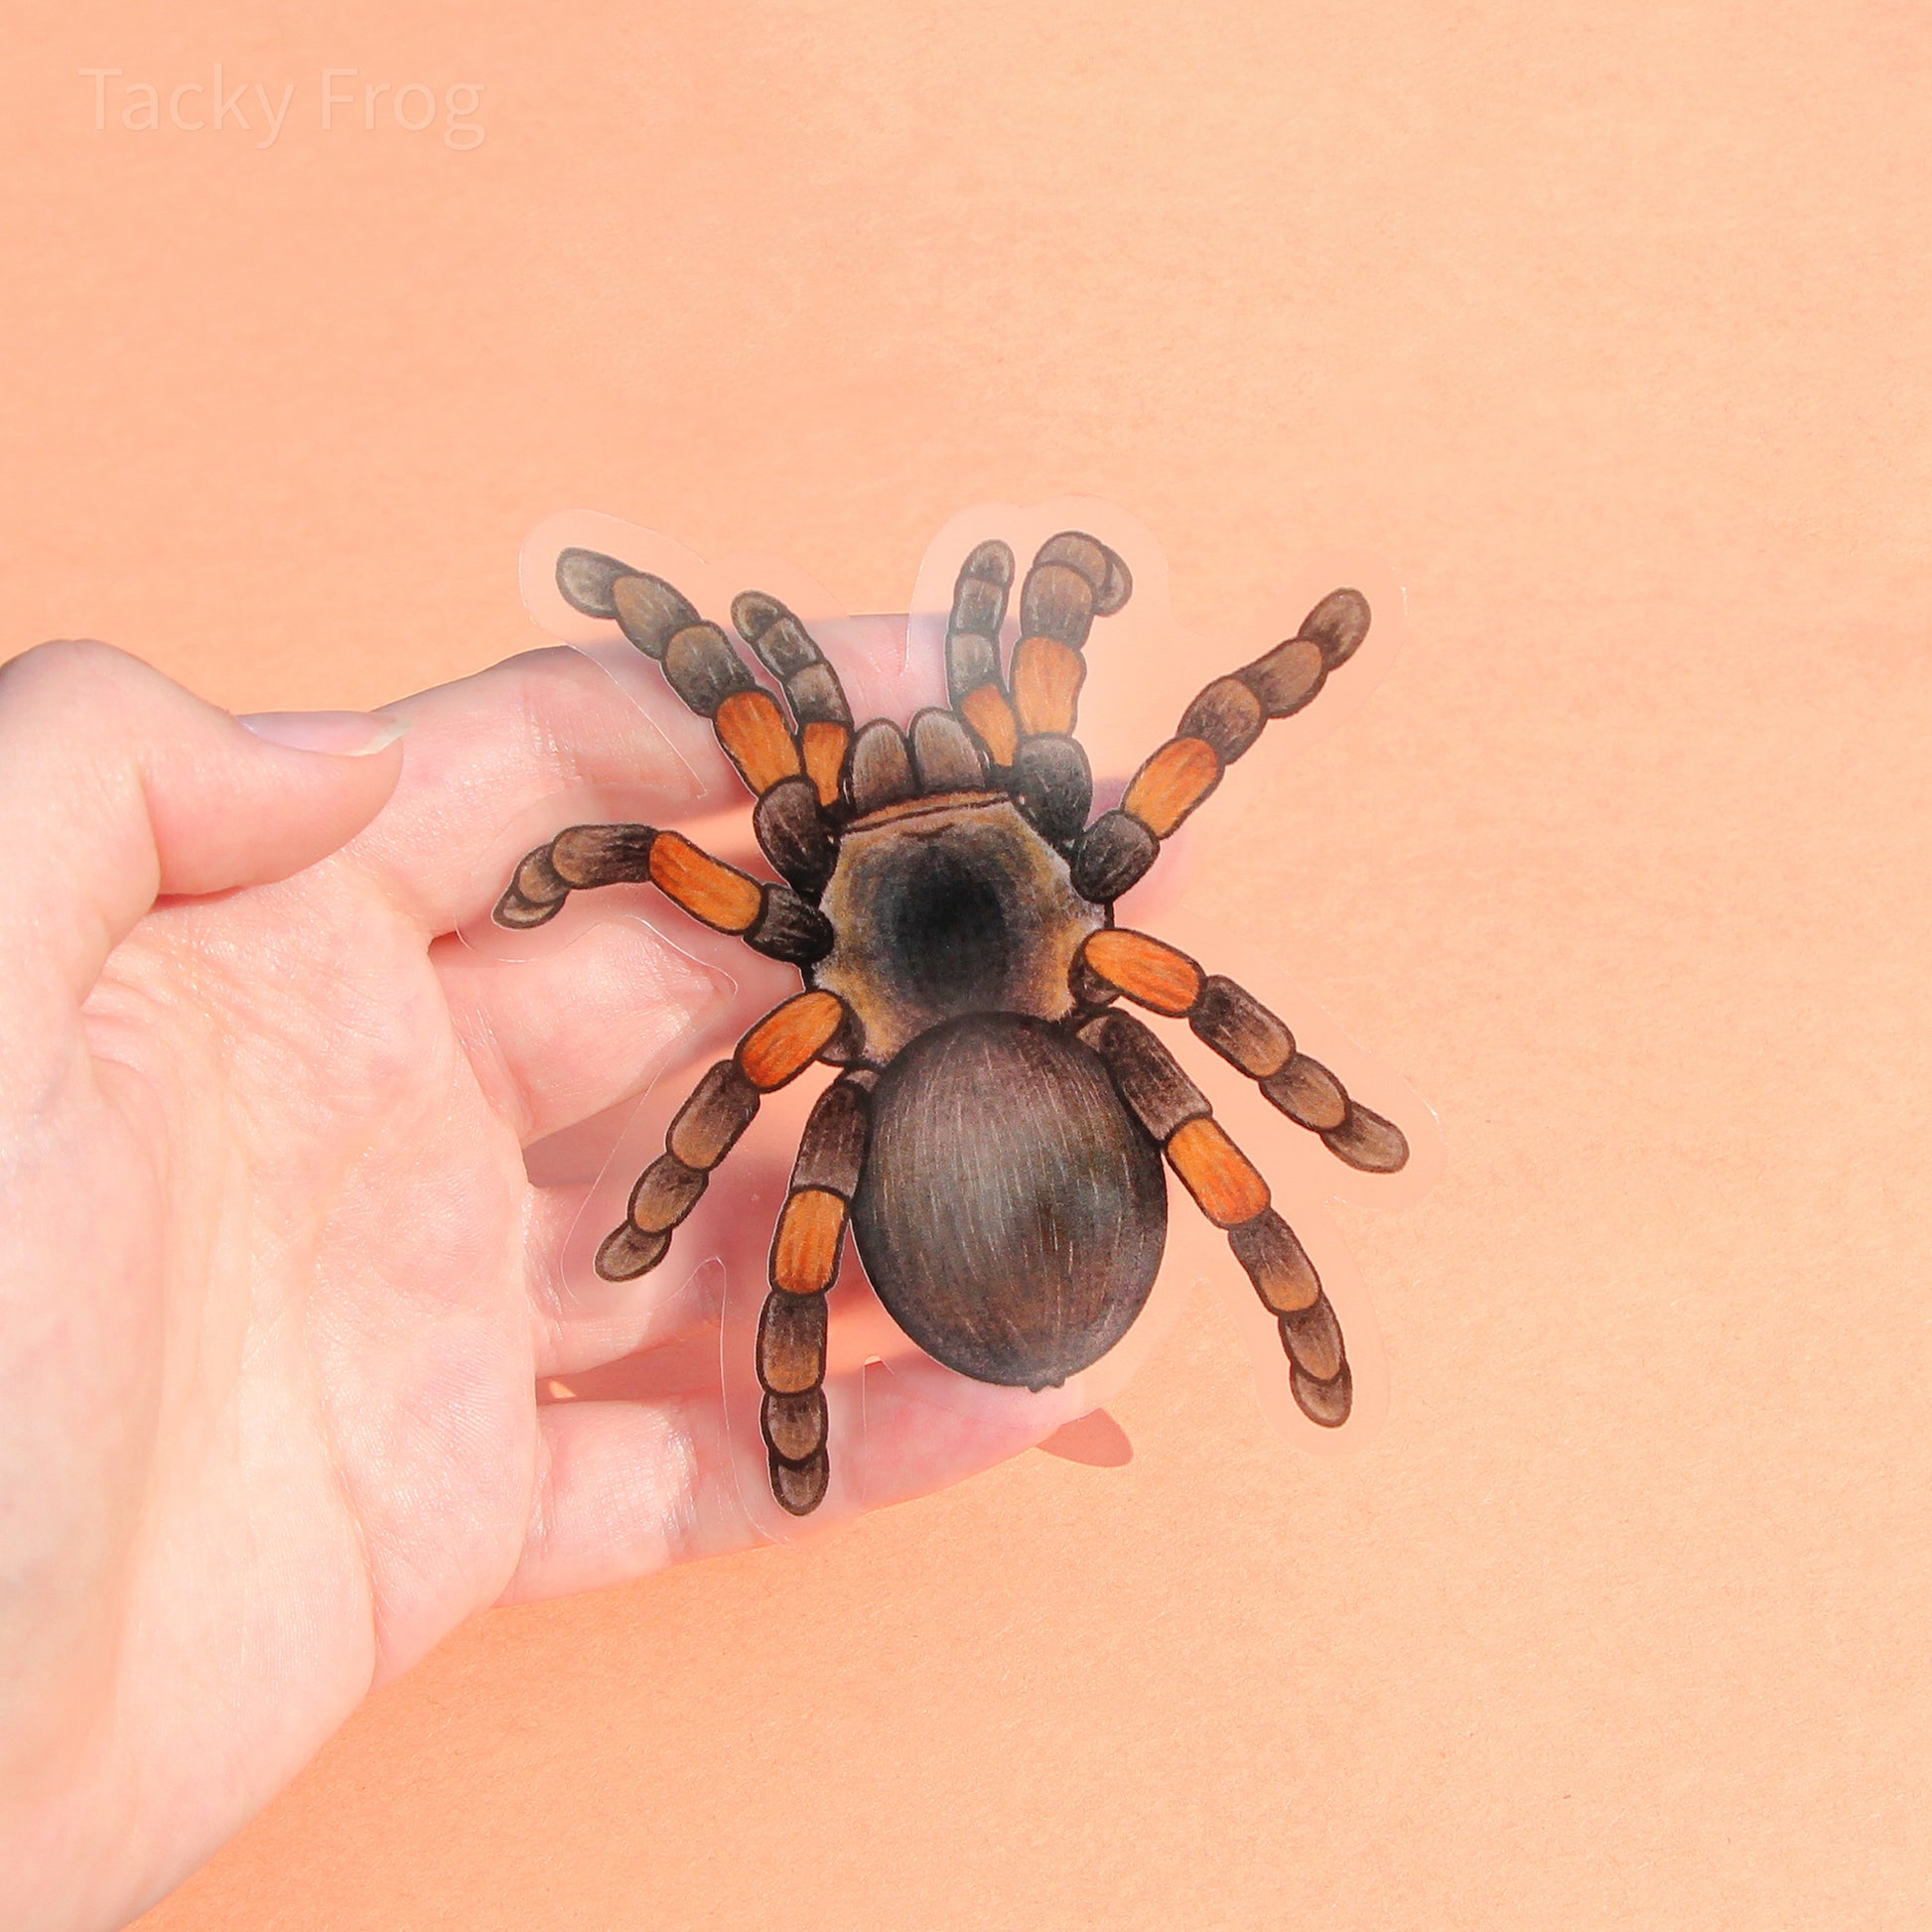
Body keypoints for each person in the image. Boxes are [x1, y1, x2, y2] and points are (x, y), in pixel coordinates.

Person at [0, 636, 1048, 1931]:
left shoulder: (814, 955)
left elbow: (670, 872)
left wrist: (591, 864)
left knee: (790, 1188)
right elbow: (668, 864)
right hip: (1031, 1133)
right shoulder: (1055, 909)